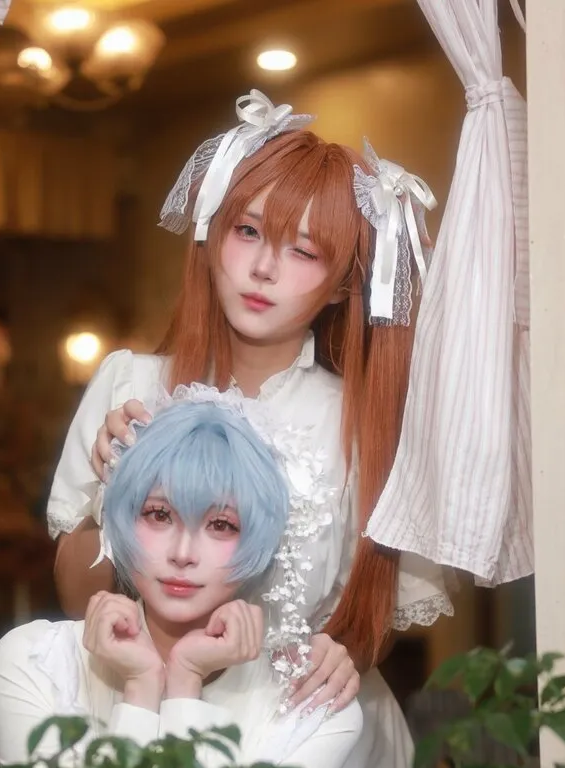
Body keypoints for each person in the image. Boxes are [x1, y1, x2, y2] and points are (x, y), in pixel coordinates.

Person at [48, 91, 452, 709]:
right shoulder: (130, 386)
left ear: (343, 284)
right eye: (248, 231)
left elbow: (378, 620)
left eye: (304, 250)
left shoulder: (362, 425)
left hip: (305, 731)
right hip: (145, 712)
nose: (264, 267)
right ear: (213, 233)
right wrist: (111, 492)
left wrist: (345, 652)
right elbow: (79, 605)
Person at [0, 396, 440, 768]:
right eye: (159, 514)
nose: (183, 553)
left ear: (262, 540)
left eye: (221, 524)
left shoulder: (312, 707)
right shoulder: (34, 662)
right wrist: (141, 687)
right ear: (120, 516)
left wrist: (183, 684)